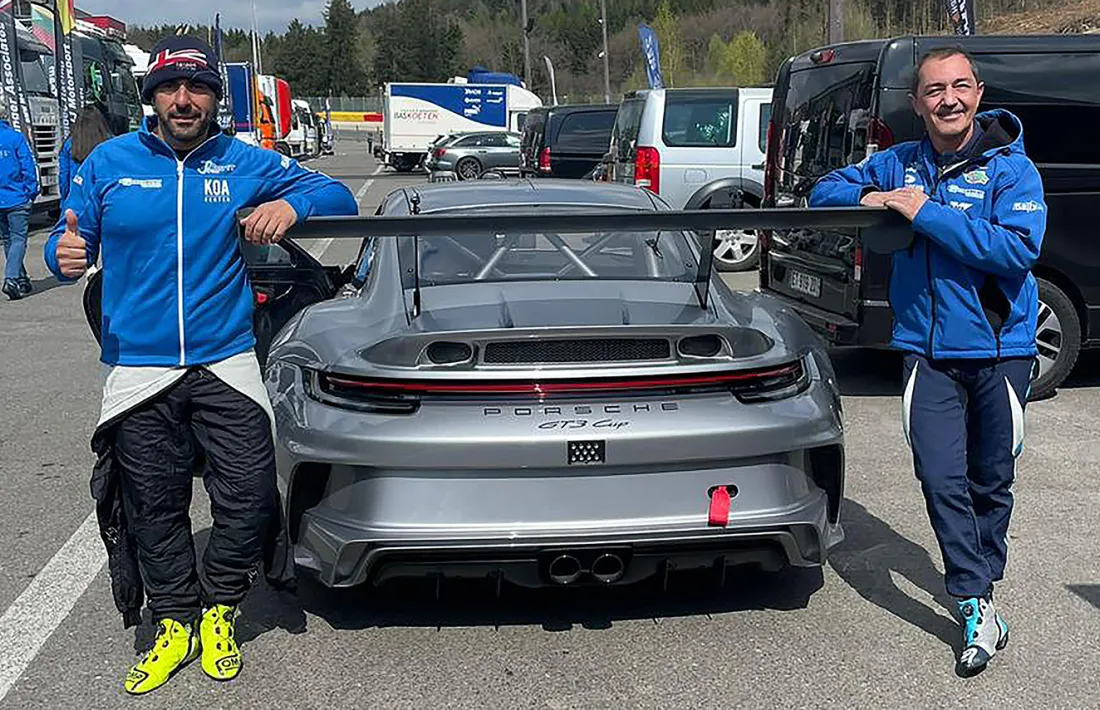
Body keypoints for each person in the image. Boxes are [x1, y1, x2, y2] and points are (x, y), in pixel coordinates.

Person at [43, 35, 358, 695]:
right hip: (138, 367)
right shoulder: (108, 161)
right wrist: (60, 254)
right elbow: (68, 236)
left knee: (246, 500)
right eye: (170, 88)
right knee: (152, 506)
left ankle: (218, 607)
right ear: (152, 96)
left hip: (225, 359)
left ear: (215, 97)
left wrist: (291, 204)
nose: (183, 100)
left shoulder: (243, 160)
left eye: (197, 89)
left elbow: (339, 197)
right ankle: (176, 621)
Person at [809, 46, 1045, 677]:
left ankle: (981, 587)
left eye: (960, 87)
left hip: (1001, 352)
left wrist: (925, 212)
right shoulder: (901, 162)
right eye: (934, 90)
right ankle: (974, 600)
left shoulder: (1011, 170)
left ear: (978, 92)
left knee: (990, 481)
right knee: (941, 479)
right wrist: (881, 197)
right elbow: (824, 189)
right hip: (928, 354)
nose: (949, 99)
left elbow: (1015, 251)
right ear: (917, 104)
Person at [0, 97, 40, 300]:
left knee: (9, 239)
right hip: (16, 197)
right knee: (18, 239)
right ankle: (12, 278)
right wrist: (31, 192)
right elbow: (28, 167)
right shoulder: (15, 138)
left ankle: (21, 279)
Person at [59, 105, 113, 205]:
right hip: (103, 199)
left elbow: (64, 177)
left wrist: (64, 200)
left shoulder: (69, 144)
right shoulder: (110, 142)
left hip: (77, 199)